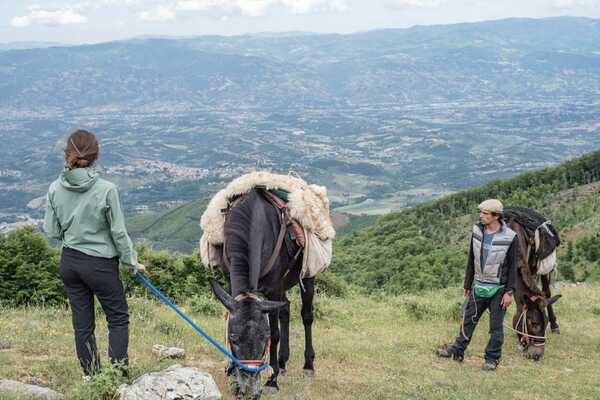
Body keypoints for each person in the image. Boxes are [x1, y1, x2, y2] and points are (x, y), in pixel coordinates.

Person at [43, 129, 146, 378]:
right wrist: (132, 262)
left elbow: (52, 231)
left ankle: (92, 378)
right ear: (96, 154)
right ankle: (119, 378)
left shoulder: (55, 188)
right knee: (118, 319)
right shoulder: (107, 189)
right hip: (100, 265)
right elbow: (118, 232)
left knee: (82, 325)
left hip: (70, 262)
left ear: (67, 154)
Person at [436, 199, 517, 371]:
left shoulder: (510, 237)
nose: (481, 216)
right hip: (478, 285)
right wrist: (467, 282)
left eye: (485, 213)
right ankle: (457, 351)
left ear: (496, 216)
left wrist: (509, 292)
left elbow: (513, 268)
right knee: (468, 320)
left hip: (499, 289)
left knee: (496, 327)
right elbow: (471, 260)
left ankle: (492, 359)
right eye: (481, 212)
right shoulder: (477, 231)